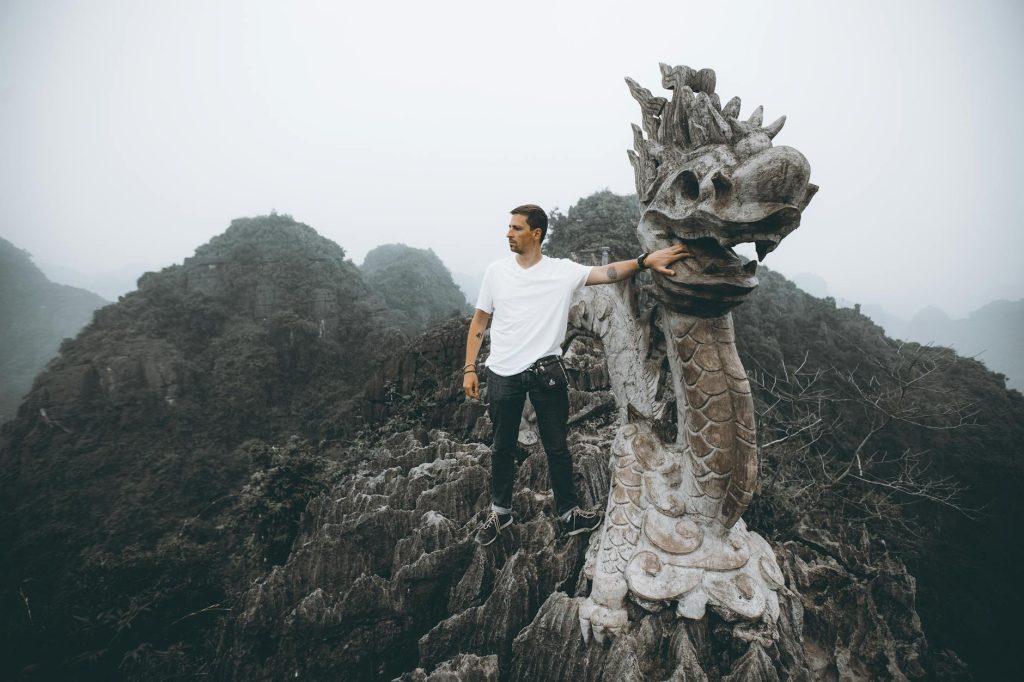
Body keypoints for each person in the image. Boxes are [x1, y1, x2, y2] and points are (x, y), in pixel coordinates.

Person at [463, 204, 690, 546]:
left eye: (516, 228)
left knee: (557, 447)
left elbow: (608, 272)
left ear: (535, 234)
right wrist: (469, 368)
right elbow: (479, 321)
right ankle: (501, 511)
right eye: (509, 227)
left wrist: (645, 261)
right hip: (503, 373)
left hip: (545, 372)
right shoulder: (496, 272)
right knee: (502, 447)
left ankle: (568, 514)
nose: (508, 233)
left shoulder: (561, 272)